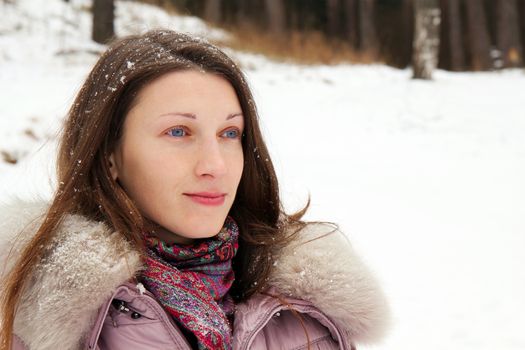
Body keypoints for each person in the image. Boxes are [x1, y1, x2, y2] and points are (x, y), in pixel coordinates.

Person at [0, 30, 389, 350]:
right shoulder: (32, 317)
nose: (215, 165)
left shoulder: (308, 312)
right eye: (178, 132)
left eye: (229, 133)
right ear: (110, 156)